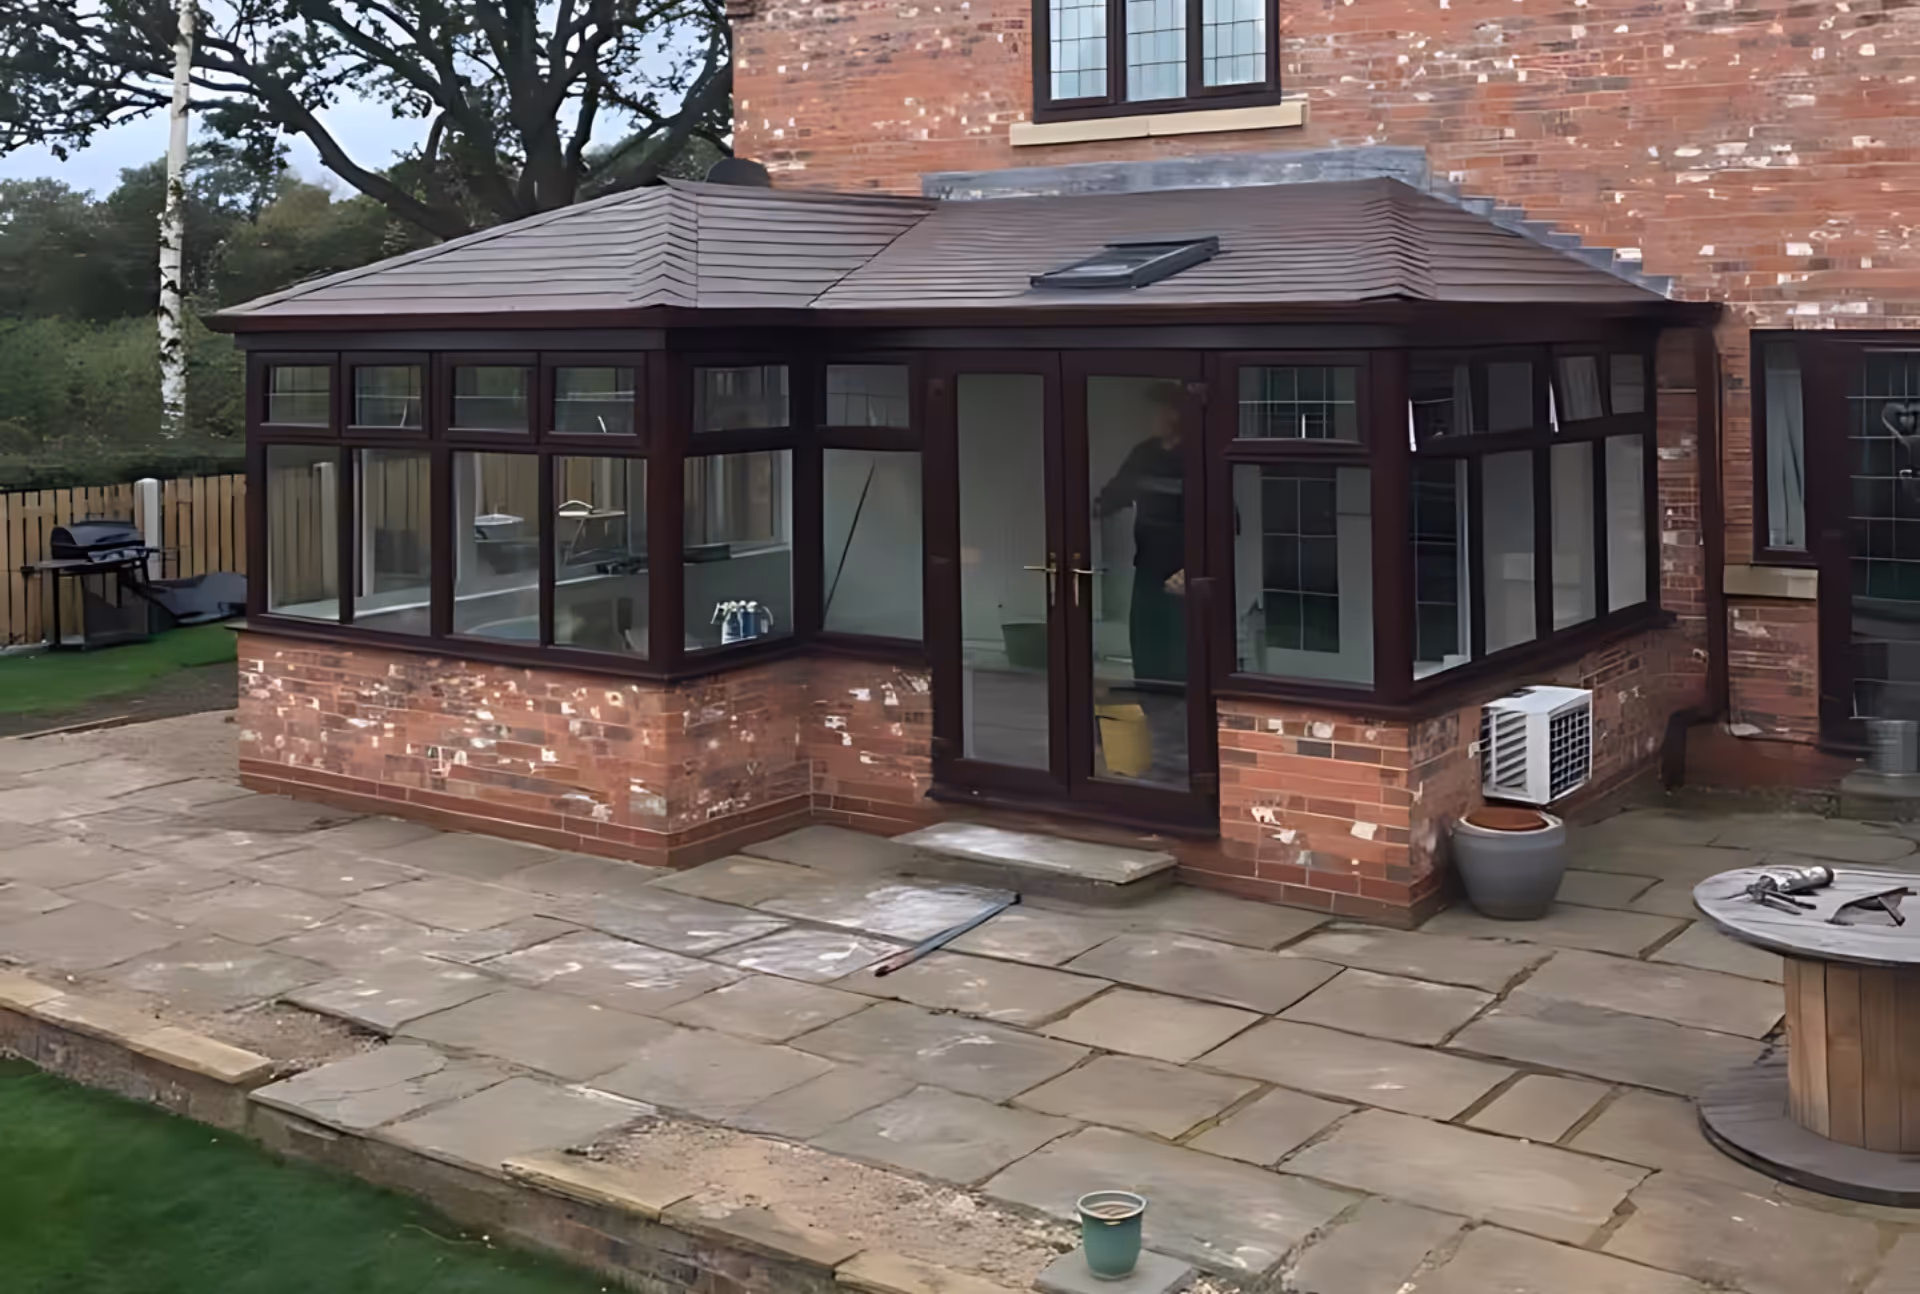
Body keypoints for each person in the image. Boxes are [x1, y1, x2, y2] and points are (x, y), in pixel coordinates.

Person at [1096, 382, 1187, 687]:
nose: (1149, 419)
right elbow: (1112, 497)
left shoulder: (1198, 456)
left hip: (1185, 577)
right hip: (1147, 568)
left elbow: (1225, 522)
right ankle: (1151, 718)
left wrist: (1195, 568)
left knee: (1181, 661)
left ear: (1175, 415)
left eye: (1155, 412)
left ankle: (1181, 729)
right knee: (1147, 656)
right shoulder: (1144, 454)